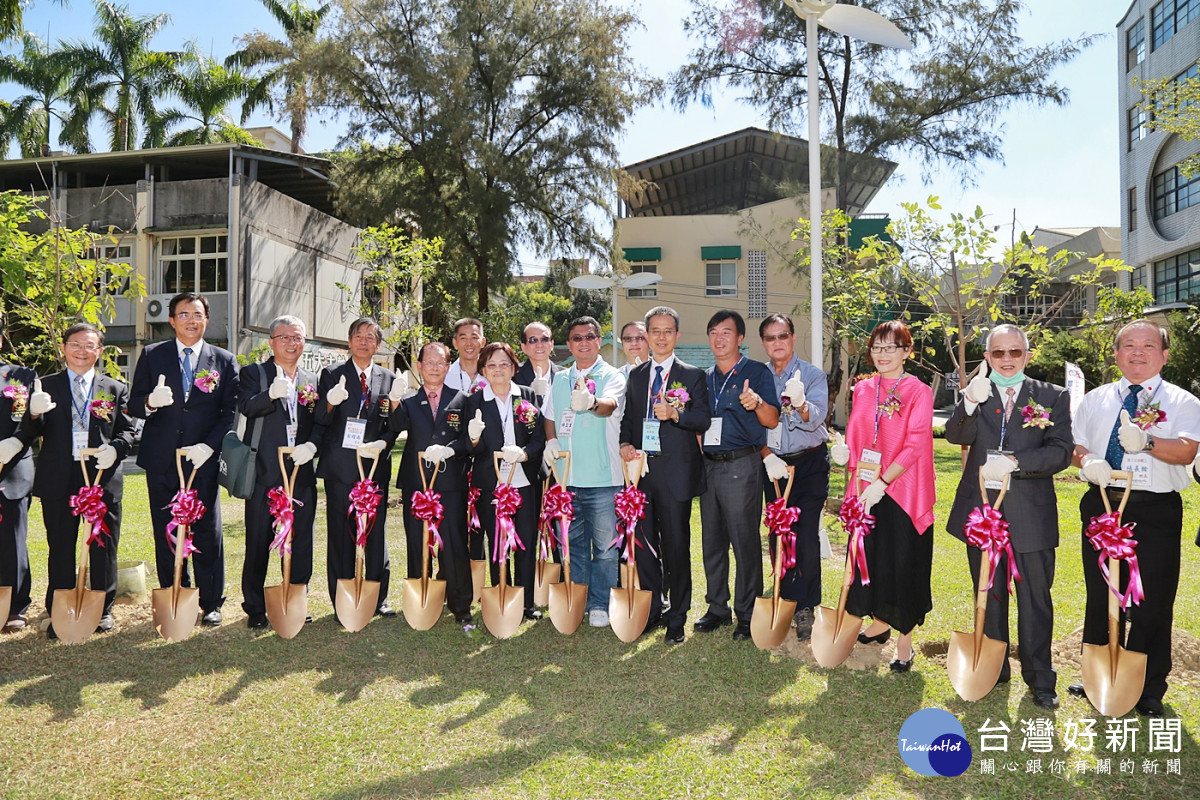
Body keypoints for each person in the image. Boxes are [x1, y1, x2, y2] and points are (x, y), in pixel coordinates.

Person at [1070, 319, 1200, 716]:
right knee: (1102, 591)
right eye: (1129, 345)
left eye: (1148, 345)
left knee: (1153, 597)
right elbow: (1076, 445)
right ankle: (1099, 672)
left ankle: (1147, 685)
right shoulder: (1095, 399)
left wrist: (1148, 441)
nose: (1138, 352)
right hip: (1103, 503)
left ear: (1164, 355)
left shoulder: (1183, 402)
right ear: (1116, 354)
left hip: (1154, 508)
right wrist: (1088, 459)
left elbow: (1186, 452)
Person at [944, 324, 1072, 709]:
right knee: (989, 591)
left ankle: (1040, 678)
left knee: (1035, 597)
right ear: (987, 357)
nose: (1006, 359)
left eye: (1014, 352)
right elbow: (955, 436)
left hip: (1031, 512)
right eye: (998, 353)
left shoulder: (1052, 396)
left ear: (1027, 356)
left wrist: (1017, 462)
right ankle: (994, 667)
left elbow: (1061, 451)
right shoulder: (976, 394)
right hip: (981, 509)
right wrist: (967, 403)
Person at [10, 324, 134, 638]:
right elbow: (28, 430)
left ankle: (103, 609)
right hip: (59, 479)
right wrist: (34, 414)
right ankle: (60, 609)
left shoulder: (113, 388)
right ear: (64, 348)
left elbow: (127, 431)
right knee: (61, 547)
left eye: (89, 346)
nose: (81, 351)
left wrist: (116, 449)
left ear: (100, 352)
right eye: (75, 344)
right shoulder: (44, 385)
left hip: (101, 478)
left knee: (103, 546)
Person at [129, 292, 238, 626]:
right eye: (184, 314)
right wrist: (150, 401)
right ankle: (176, 591)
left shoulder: (224, 360)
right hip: (162, 458)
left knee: (207, 529)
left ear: (207, 319)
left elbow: (229, 413)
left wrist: (209, 446)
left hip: (201, 459)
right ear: (172, 320)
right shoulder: (151, 355)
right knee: (168, 529)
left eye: (198, 314)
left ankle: (211, 600)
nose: (192, 320)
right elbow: (132, 405)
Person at [833, 320, 935, 672]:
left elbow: (916, 443)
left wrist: (884, 483)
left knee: (902, 563)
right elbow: (857, 432)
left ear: (907, 351)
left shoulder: (918, 391)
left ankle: (904, 641)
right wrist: (846, 454)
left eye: (892, 347)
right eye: (877, 347)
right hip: (865, 487)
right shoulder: (863, 388)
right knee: (868, 560)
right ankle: (878, 622)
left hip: (902, 490)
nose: (883, 354)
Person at [619, 306, 710, 643]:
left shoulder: (693, 375)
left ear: (677, 336)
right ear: (647, 335)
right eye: (654, 331)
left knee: (675, 546)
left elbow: (702, 419)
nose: (660, 337)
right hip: (642, 472)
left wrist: (675, 413)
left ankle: (678, 616)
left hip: (676, 473)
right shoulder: (637, 375)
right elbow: (629, 417)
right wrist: (626, 442)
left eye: (667, 331)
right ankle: (653, 609)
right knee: (644, 546)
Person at [237, 316, 324, 630]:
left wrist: (313, 446)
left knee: (301, 541)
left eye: (297, 337)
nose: (291, 342)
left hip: (300, 473)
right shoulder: (254, 374)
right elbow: (246, 407)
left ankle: (296, 599)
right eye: (284, 337)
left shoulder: (312, 379)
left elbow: (320, 423)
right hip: (264, 473)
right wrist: (269, 395)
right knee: (259, 541)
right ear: (271, 342)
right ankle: (256, 608)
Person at [697, 310, 779, 641]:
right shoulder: (704, 377)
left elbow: (771, 420)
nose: (719, 338)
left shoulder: (756, 372)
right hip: (708, 466)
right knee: (712, 541)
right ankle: (718, 607)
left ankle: (748, 613)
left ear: (740, 339)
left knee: (744, 542)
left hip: (742, 465)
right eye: (713, 332)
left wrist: (756, 401)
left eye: (726, 332)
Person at [542, 317, 626, 627]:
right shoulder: (561, 379)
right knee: (572, 544)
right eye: (577, 338)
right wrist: (551, 439)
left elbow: (609, 405)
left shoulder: (612, 375)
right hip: (568, 479)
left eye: (590, 336)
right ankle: (578, 600)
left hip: (604, 480)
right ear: (570, 343)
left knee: (604, 548)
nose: (584, 342)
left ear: (599, 340)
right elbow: (549, 415)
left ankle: (600, 604)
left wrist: (591, 402)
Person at [315, 317, 401, 618]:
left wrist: (385, 442)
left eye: (371, 337)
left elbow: (395, 425)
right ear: (349, 341)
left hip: (374, 466)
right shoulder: (330, 374)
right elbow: (320, 419)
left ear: (377, 344)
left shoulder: (388, 378)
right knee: (341, 534)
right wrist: (329, 402)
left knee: (375, 533)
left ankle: (378, 598)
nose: (364, 341)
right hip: (340, 468)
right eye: (359, 336)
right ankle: (342, 598)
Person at [389, 341, 474, 625]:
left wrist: (453, 449)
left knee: (454, 543)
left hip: (450, 483)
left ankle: (460, 604)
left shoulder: (462, 399)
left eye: (441, 363)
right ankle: (419, 602)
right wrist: (394, 400)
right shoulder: (410, 401)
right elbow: (394, 425)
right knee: (417, 541)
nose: (435, 367)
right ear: (419, 366)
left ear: (448, 367)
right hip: (417, 483)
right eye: (429, 362)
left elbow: (469, 440)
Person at [758, 313, 831, 642]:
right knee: (778, 532)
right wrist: (766, 455)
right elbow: (750, 423)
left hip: (809, 464)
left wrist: (800, 404)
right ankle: (784, 596)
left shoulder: (813, 375)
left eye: (782, 336)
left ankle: (805, 604)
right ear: (764, 343)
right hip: (773, 465)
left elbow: (816, 419)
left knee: (804, 535)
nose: (777, 343)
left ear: (793, 338)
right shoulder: (758, 377)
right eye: (771, 338)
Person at [464, 341, 546, 619]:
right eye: (491, 365)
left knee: (525, 541)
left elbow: (539, 439)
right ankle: (502, 595)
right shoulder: (472, 401)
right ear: (483, 370)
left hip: (524, 480)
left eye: (504, 364)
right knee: (497, 542)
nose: (498, 370)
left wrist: (524, 453)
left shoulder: (527, 396)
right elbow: (469, 448)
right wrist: (473, 437)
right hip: (491, 483)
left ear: (513, 367)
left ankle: (525, 603)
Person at [0, 315, 35, 632]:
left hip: (11, 470)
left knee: (13, 540)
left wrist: (16, 441)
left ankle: (15, 608)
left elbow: (34, 420)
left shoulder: (21, 376)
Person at [514, 321, 564, 404]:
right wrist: (531, 392)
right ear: (523, 347)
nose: (539, 345)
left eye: (545, 339)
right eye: (533, 340)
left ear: (552, 344)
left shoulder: (566, 376)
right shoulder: (513, 376)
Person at [445, 318, 486, 395]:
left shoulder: (493, 375)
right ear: (455, 343)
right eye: (463, 338)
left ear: (483, 342)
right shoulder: (445, 376)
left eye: (474, 338)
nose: (469, 343)